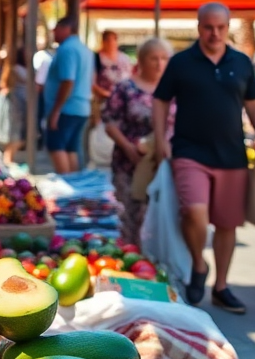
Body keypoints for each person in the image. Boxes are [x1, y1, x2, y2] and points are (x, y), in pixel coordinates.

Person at [153, 3, 255, 314]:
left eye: (220, 27)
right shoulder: (181, 62)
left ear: (228, 27)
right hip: (189, 151)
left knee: (228, 224)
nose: (214, 33)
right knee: (194, 213)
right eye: (208, 27)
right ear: (198, 27)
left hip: (232, 154)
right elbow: (160, 101)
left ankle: (221, 286)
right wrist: (161, 137)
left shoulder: (242, 62)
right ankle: (197, 263)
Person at [102, 38, 172, 245]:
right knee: (130, 216)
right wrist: (129, 148)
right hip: (129, 163)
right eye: (154, 59)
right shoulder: (125, 88)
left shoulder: (174, 89)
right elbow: (110, 123)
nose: (159, 64)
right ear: (141, 61)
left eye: (164, 59)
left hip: (164, 164)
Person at [44, 18, 94, 175]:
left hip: (67, 108)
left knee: (56, 145)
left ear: (66, 29)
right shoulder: (84, 49)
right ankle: (74, 188)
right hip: (81, 107)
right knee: (71, 148)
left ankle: (67, 186)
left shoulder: (68, 50)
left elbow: (68, 81)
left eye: (56, 29)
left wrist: (56, 110)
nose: (54, 33)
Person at [0, 51, 29, 167]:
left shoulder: (15, 69)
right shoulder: (15, 69)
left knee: (17, 136)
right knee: (15, 136)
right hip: (15, 107)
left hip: (17, 106)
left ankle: (8, 161)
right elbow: (6, 84)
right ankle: (8, 161)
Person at [93, 30, 133, 101]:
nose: (111, 43)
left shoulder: (125, 58)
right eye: (108, 41)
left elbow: (131, 76)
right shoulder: (96, 58)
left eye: (113, 40)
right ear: (103, 42)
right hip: (104, 99)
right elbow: (92, 82)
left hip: (123, 98)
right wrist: (106, 94)